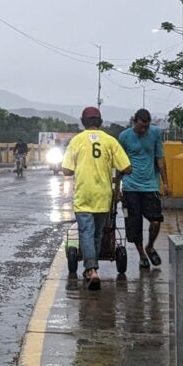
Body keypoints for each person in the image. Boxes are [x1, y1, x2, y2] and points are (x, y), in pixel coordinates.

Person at [62, 107, 131, 290]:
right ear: (100, 121)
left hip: (84, 194)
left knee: (86, 231)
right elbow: (127, 168)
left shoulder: (76, 141)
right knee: (98, 233)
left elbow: (67, 170)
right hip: (104, 195)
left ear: (83, 122)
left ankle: (91, 269)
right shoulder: (110, 141)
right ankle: (90, 269)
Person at [116, 108, 168, 270]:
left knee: (156, 219)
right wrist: (117, 188)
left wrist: (165, 183)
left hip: (150, 185)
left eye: (146, 127)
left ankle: (150, 246)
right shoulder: (124, 137)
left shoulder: (156, 134)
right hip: (131, 186)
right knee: (134, 223)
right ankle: (142, 255)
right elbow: (120, 163)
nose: (143, 130)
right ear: (134, 123)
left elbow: (160, 159)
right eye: (140, 127)